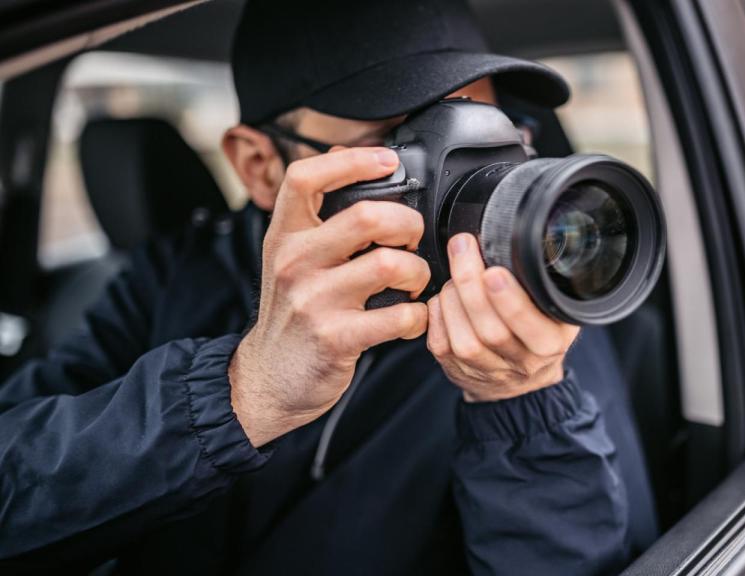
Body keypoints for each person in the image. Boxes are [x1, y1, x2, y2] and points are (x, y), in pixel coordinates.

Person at [0, 0, 657, 574]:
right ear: (260, 166)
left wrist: (519, 403)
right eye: (404, 144)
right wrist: (240, 393)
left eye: (491, 132)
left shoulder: (528, 323)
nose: (466, 172)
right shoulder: (173, 277)